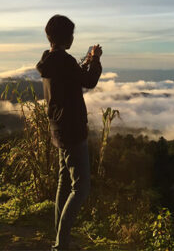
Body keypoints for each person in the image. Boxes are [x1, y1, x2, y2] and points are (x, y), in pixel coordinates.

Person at [36, 14, 102, 251]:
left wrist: (84, 61)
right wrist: (94, 59)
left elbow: (74, 78)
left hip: (58, 130)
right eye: (72, 34)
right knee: (81, 188)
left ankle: (60, 241)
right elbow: (89, 80)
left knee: (64, 184)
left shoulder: (49, 60)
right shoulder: (65, 61)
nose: (73, 38)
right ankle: (60, 246)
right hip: (73, 131)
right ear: (66, 37)